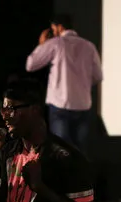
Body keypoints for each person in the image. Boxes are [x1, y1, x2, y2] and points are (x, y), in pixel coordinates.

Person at [25, 14, 103, 155]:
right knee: (81, 155)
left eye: (53, 29)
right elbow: (98, 76)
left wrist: (42, 45)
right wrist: (82, 83)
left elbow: (30, 65)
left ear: (60, 27)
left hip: (60, 106)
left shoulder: (55, 43)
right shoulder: (89, 46)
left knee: (61, 153)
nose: (53, 33)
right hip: (83, 106)